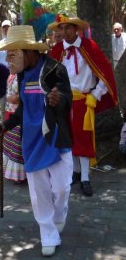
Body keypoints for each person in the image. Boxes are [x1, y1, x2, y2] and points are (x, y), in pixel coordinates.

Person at [0, 25, 73, 257]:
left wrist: (59, 100)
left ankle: (59, 215)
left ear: (28, 51)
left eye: (12, 54)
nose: (9, 60)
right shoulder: (20, 76)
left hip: (55, 138)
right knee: (38, 192)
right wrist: (6, 125)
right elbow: (23, 110)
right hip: (31, 140)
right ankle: (47, 232)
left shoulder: (54, 69)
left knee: (61, 188)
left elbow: (68, 99)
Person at [48, 15, 118, 196]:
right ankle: (75, 172)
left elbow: (104, 72)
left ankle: (86, 177)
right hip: (63, 102)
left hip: (83, 101)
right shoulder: (57, 50)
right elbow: (49, 76)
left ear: (76, 29)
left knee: (83, 138)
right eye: (61, 29)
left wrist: (95, 94)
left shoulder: (89, 47)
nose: (64, 32)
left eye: (68, 28)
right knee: (68, 138)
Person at [2, 73, 26, 183]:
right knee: (9, 143)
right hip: (9, 111)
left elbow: (23, 95)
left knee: (17, 145)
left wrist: (15, 98)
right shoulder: (11, 74)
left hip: (19, 114)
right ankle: (11, 173)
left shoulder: (25, 75)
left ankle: (20, 175)